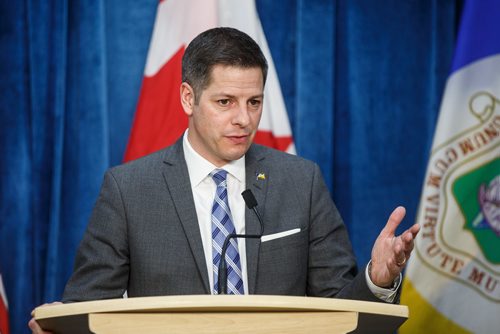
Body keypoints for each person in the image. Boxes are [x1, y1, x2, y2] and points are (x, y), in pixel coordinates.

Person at [29, 27, 420, 333]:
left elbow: (340, 310)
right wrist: (64, 323)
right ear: (187, 98)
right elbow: (89, 309)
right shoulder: (129, 190)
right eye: (225, 102)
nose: (244, 120)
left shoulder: (301, 182)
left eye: (254, 102)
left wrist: (377, 278)